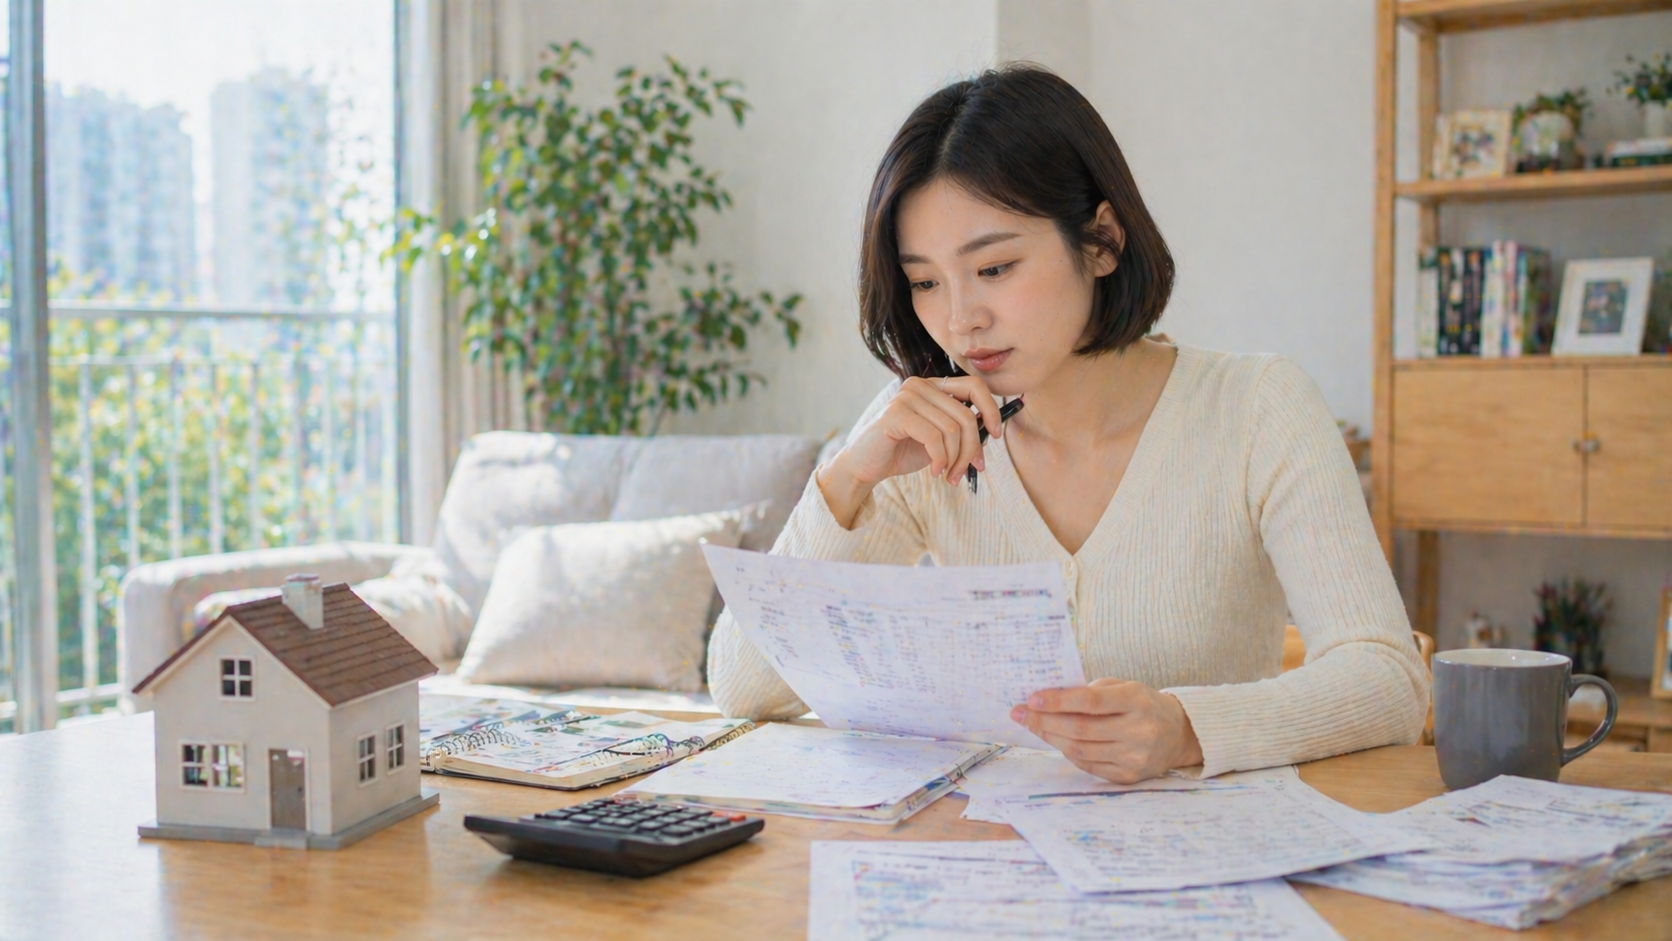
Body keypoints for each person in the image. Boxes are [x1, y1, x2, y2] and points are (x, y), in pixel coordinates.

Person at [706, 65, 1428, 783]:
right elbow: (744, 688)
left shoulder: (1257, 408)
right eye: (924, 281)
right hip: (983, 846)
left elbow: (1389, 680)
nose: (960, 319)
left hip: (1208, 849)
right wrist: (846, 479)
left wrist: (1185, 730)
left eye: (994, 268)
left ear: (1102, 241)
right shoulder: (921, 429)